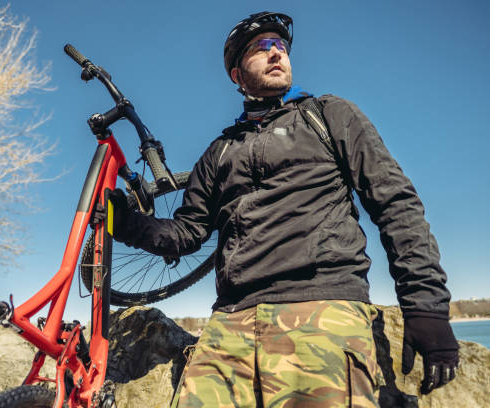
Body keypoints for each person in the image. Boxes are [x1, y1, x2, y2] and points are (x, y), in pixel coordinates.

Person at [106, 11, 459, 407]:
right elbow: (188, 233)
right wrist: (129, 224)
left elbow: (395, 203)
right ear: (237, 75)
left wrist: (426, 308)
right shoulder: (219, 151)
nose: (276, 54)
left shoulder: (328, 114)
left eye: (281, 46)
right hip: (230, 323)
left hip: (322, 308)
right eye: (261, 48)